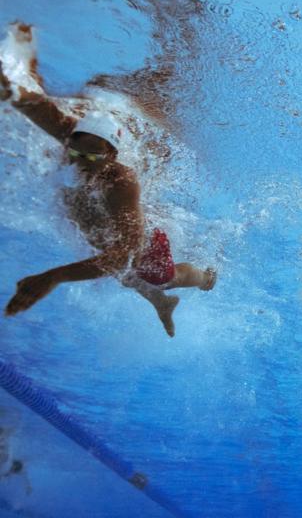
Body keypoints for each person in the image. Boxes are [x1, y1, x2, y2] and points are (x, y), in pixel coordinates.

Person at [1, 22, 215, 337]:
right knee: (112, 259)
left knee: (156, 274)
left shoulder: (121, 181)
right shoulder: (71, 134)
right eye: (75, 153)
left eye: (92, 158)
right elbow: (28, 102)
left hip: (142, 237)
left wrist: (52, 277)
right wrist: (10, 86)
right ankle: (162, 304)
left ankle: (204, 277)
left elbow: (124, 255)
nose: (80, 163)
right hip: (106, 219)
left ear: (112, 156)